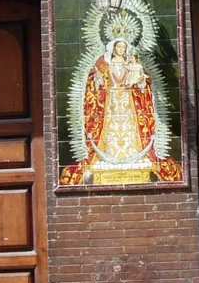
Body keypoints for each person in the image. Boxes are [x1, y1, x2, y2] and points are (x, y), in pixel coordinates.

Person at [60, 38, 182, 185]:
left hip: (128, 101)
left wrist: (141, 81)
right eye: (118, 47)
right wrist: (98, 79)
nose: (121, 50)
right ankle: (109, 156)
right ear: (113, 48)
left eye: (123, 47)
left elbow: (142, 85)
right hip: (111, 102)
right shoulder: (105, 64)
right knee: (110, 129)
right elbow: (95, 82)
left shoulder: (132, 64)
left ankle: (133, 154)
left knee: (130, 129)